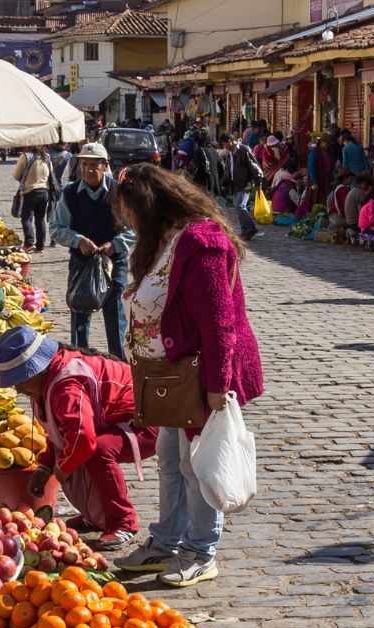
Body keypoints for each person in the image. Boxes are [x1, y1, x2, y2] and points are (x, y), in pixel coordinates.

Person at [97, 165, 263, 586]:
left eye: (130, 211)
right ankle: (167, 541)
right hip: (172, 375)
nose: (126, 220)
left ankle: (200, 550)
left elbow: (219, 323)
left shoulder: (201, 242)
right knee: (170, 457)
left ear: (151, 205)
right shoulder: (164, 239)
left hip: (199, 375)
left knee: (195, 463)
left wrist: (217, 386)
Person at [0, 327, 153, 549]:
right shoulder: (47, 382)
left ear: (38, 370)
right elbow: (62, 430)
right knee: (75, 451)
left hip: (149, 418)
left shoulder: (66, 387)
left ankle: (123, 523)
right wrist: (45, 467)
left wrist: (62, 469)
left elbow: (82, 438)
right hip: (118, 419)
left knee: (98, 451)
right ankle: (97, 514)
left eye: (20, 380)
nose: (18, 389)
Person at [52, 142, 130, 358]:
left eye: (93, 165)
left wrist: (114, 245)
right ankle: (80, 361)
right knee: (80, 315)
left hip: (114, 264)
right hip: (81, 263)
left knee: (115, 316)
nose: (87, 170)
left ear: (105, 166)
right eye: (84, 164)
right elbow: (56, 228)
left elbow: (135, 229)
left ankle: (119, 363)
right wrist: (78, 241)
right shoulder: (70, 193)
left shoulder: (119, 193)